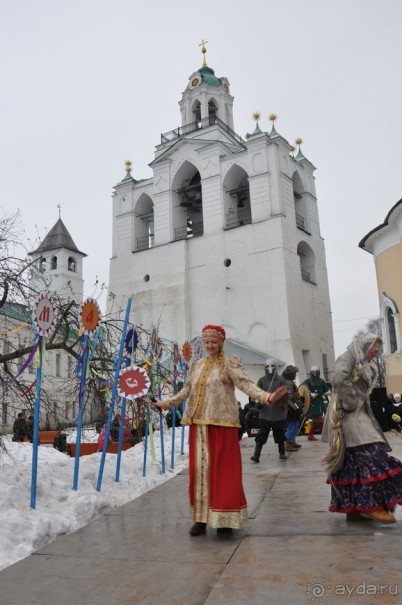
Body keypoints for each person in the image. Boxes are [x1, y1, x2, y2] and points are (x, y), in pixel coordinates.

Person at [153, 324, 287, 536]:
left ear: (221, 343)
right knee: (200, 472)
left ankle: (225, 519)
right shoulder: (197, 365)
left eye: (214, 342)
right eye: (206, 342)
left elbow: (246, 385)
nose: (210, 346)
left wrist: (267, 397)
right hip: (198, 426)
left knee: (223, 473)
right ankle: (201, 518)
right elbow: (187, 390)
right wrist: (166, 403)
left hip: (222, 424)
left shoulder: (228, 364)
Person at [322, 333, 402, 523]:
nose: (376, 354)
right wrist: (350, 403)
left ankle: (354, 508)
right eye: (374, 350)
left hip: (358, 413)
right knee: (373, 456)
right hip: (346, 414)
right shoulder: (349, 356)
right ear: (366, 345)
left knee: (351, 462)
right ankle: (370, 505)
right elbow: (340, 378)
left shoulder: (366, 362)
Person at [251, 359, 290, 462]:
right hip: (265, 413)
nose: (270, 369)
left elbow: (286, 393)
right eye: (268, 366)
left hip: (278, 413)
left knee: (280, 435)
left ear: (275, 367)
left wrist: (280, 398)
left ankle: (282, 453)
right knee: (261, 435)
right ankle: (256, 455)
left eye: (272, 366)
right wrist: (256, 399)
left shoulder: (281, 380)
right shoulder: (262, 380)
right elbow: (257, 392)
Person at [302, 365, 331, 441]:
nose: (315, 374)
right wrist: (310, 394)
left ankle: (311, 435)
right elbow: (302, 390)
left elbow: (327, 392)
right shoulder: (307, 382)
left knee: (317, 421)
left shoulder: (321, 381)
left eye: (316, 373)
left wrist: (324, 395)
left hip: (320, 403)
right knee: (319, 420)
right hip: (312, 404)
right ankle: (325, 435)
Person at [282, 365, 303, 452]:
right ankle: (288, 444)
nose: (295, 375)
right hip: (291, 408)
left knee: (295, 424)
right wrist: (296, 408)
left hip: (291, 407)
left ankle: (292, 441)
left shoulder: (288, 382)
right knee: (292, 425)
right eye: (294, 373)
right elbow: (289, 397)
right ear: (291, 374)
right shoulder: (288, 383)